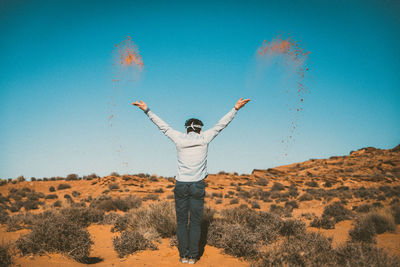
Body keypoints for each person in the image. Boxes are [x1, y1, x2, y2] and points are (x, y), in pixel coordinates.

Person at [132, 97, 250, 264]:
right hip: (197, 186)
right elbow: (221, 125)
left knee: (181, 222)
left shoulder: (179, 138)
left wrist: (147, 110)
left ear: (187, 129)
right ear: (200, 130)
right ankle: (193, 257)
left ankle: (183, 256)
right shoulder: (204, 138)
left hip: (180, 185)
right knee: (195, 223)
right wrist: (235, 108)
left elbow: (163, 126)